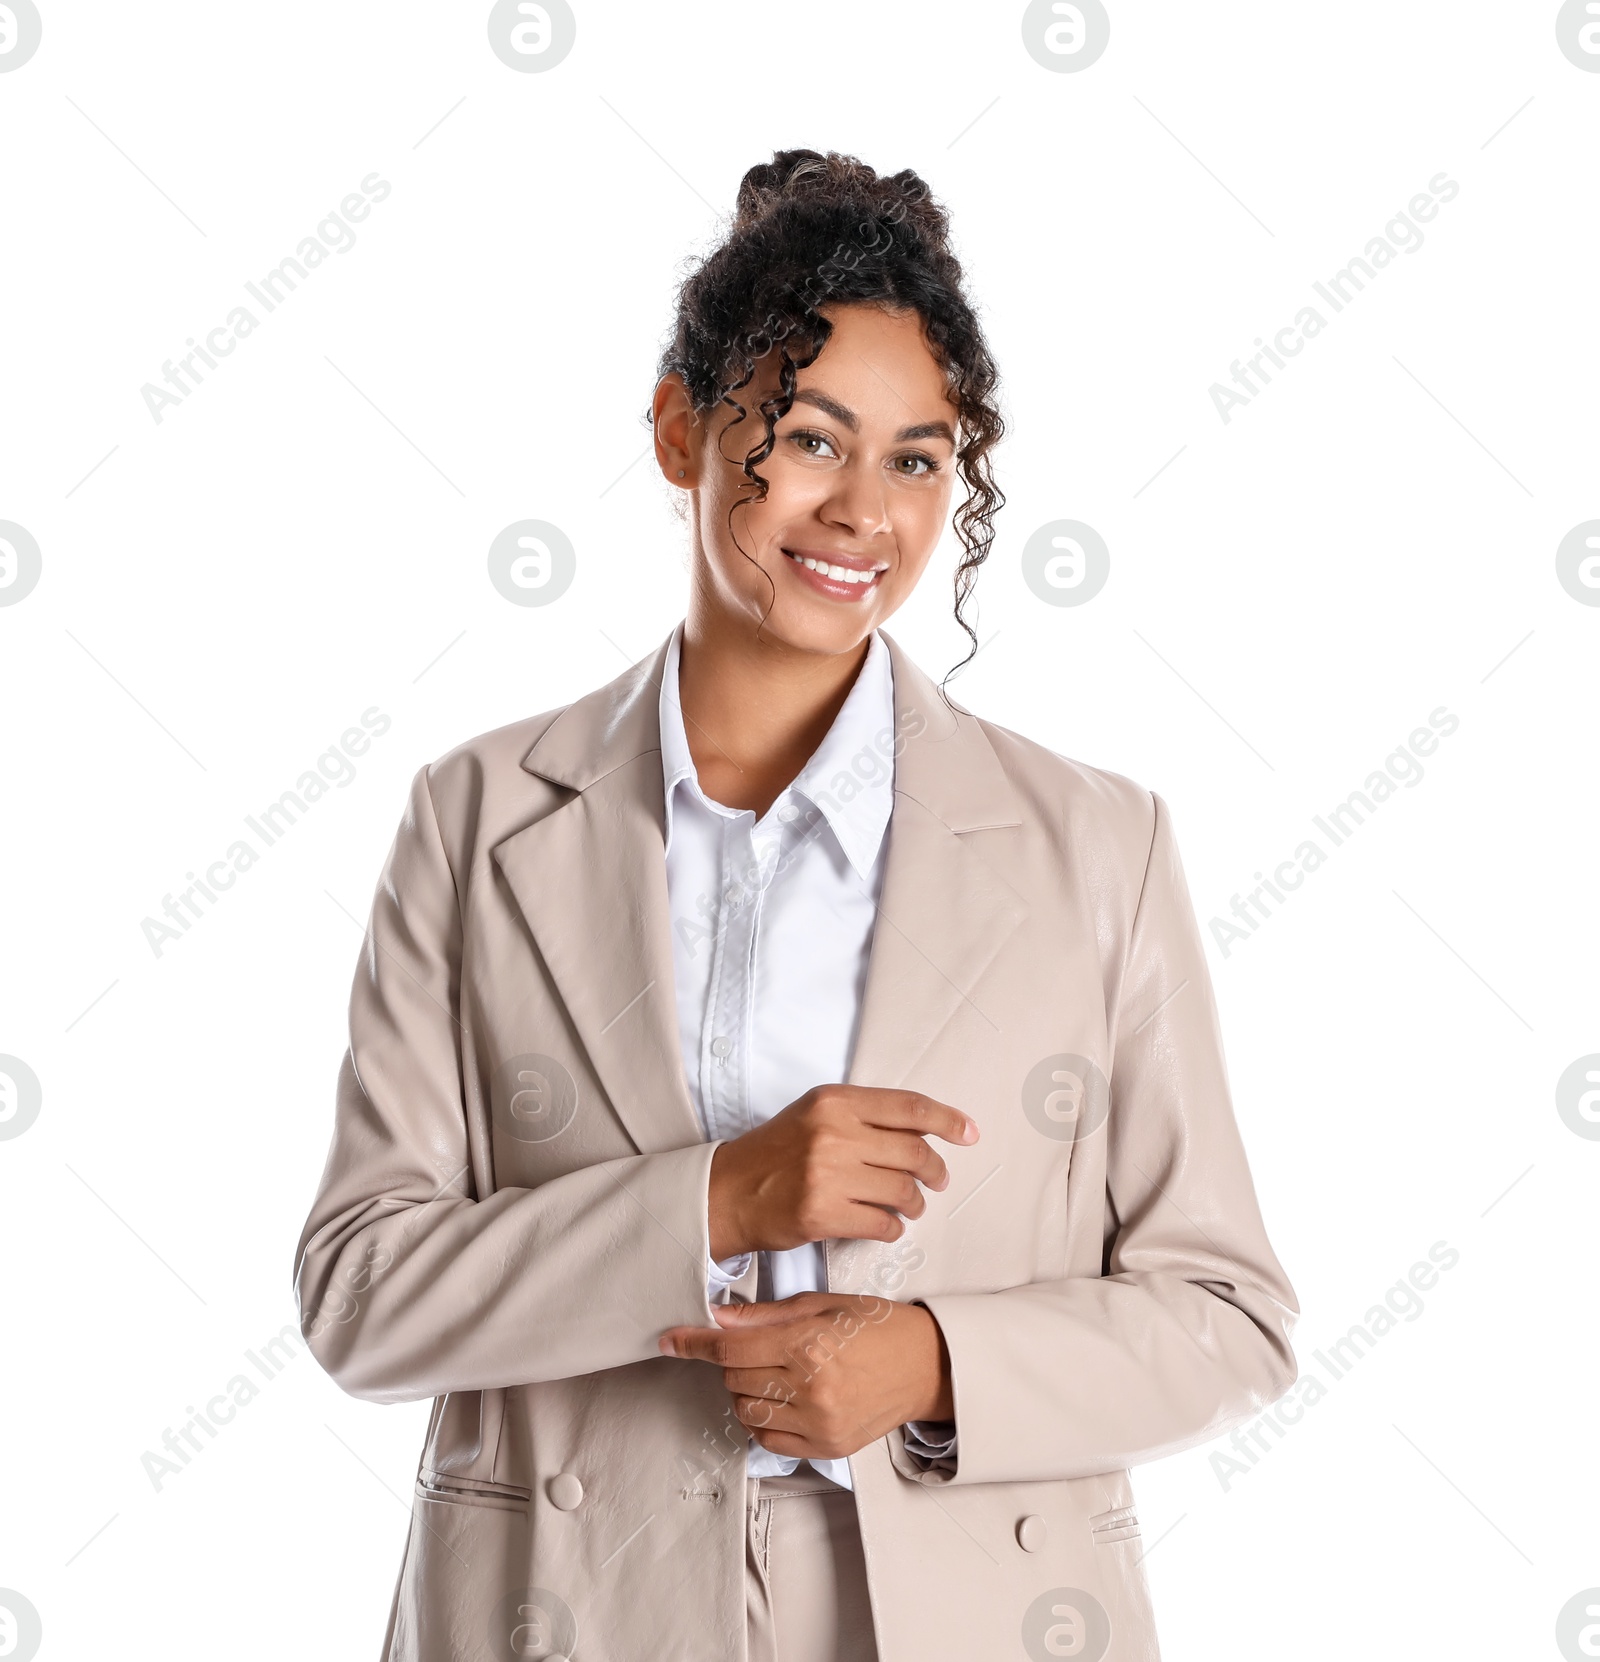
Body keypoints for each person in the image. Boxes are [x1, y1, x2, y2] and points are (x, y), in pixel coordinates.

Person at [294, 147, 1299, 1662]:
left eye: (918, 457)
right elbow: (364, 1293)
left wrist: (933, 1359)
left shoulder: (1099, 843)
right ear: (682, 430)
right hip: (571, 1599)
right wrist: (723, 1197)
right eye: (812, 439)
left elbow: (1229, 1312)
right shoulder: (479, 814)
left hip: (965, 1607)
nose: (864, 513)